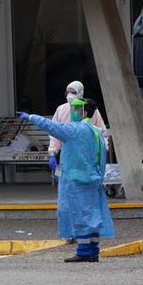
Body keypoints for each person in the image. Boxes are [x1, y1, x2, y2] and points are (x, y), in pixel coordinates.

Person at [19, 98, 114, 262]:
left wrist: (30, 117)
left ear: (84, 112)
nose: (73, 113)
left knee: (80, 216)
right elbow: (101, 159)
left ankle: (84, 251)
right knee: (92, 215)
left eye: (76, 110)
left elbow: (51, 126)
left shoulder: (74, 130)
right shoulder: (97, 131)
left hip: (75, 180)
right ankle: (93, 250)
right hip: (92, 178)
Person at [47, 80, 106, 177]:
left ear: (80, 93)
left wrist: (101, 152)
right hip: (65, 154)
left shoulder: (90, 109)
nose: (69, 95)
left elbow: (101, 133)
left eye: (73, 92)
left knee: (82, 182)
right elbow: (54, 133)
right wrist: (52, 153)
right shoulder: (61, 110)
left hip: (85, 155)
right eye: (67, 92)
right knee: (62, 179)